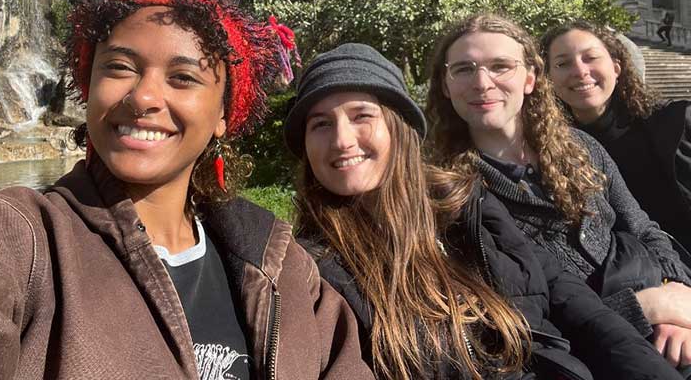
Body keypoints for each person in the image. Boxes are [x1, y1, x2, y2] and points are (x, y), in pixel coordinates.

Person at [0, 0, 373, 380]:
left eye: (183, 78)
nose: (143, 98)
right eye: (120, 68)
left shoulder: (280, 262)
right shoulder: (19, 239)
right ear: (89, 85)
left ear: (224, 114)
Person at [283, 42, 683, 380]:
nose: (342, 140)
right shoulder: (309, 268)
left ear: (399, 129)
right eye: (320, 125)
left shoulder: (467, 204)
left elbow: (576, 309)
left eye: (361, 116)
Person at [426, 13, 691, 373]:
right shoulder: (445, 192)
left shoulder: (582, 146)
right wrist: (642, 309)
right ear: (445, 84)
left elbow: (644, 229)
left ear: (531, 78)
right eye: (463, 69)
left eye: (500, 66)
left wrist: (677, 296)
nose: (482, 82)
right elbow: (510, 322)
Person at [541, 20, 691, 260]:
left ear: (616, 68)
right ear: (547, 78)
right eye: (562, 63)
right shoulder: (549, 149)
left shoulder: (675, 124)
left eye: (590, 58)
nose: (579, 71)